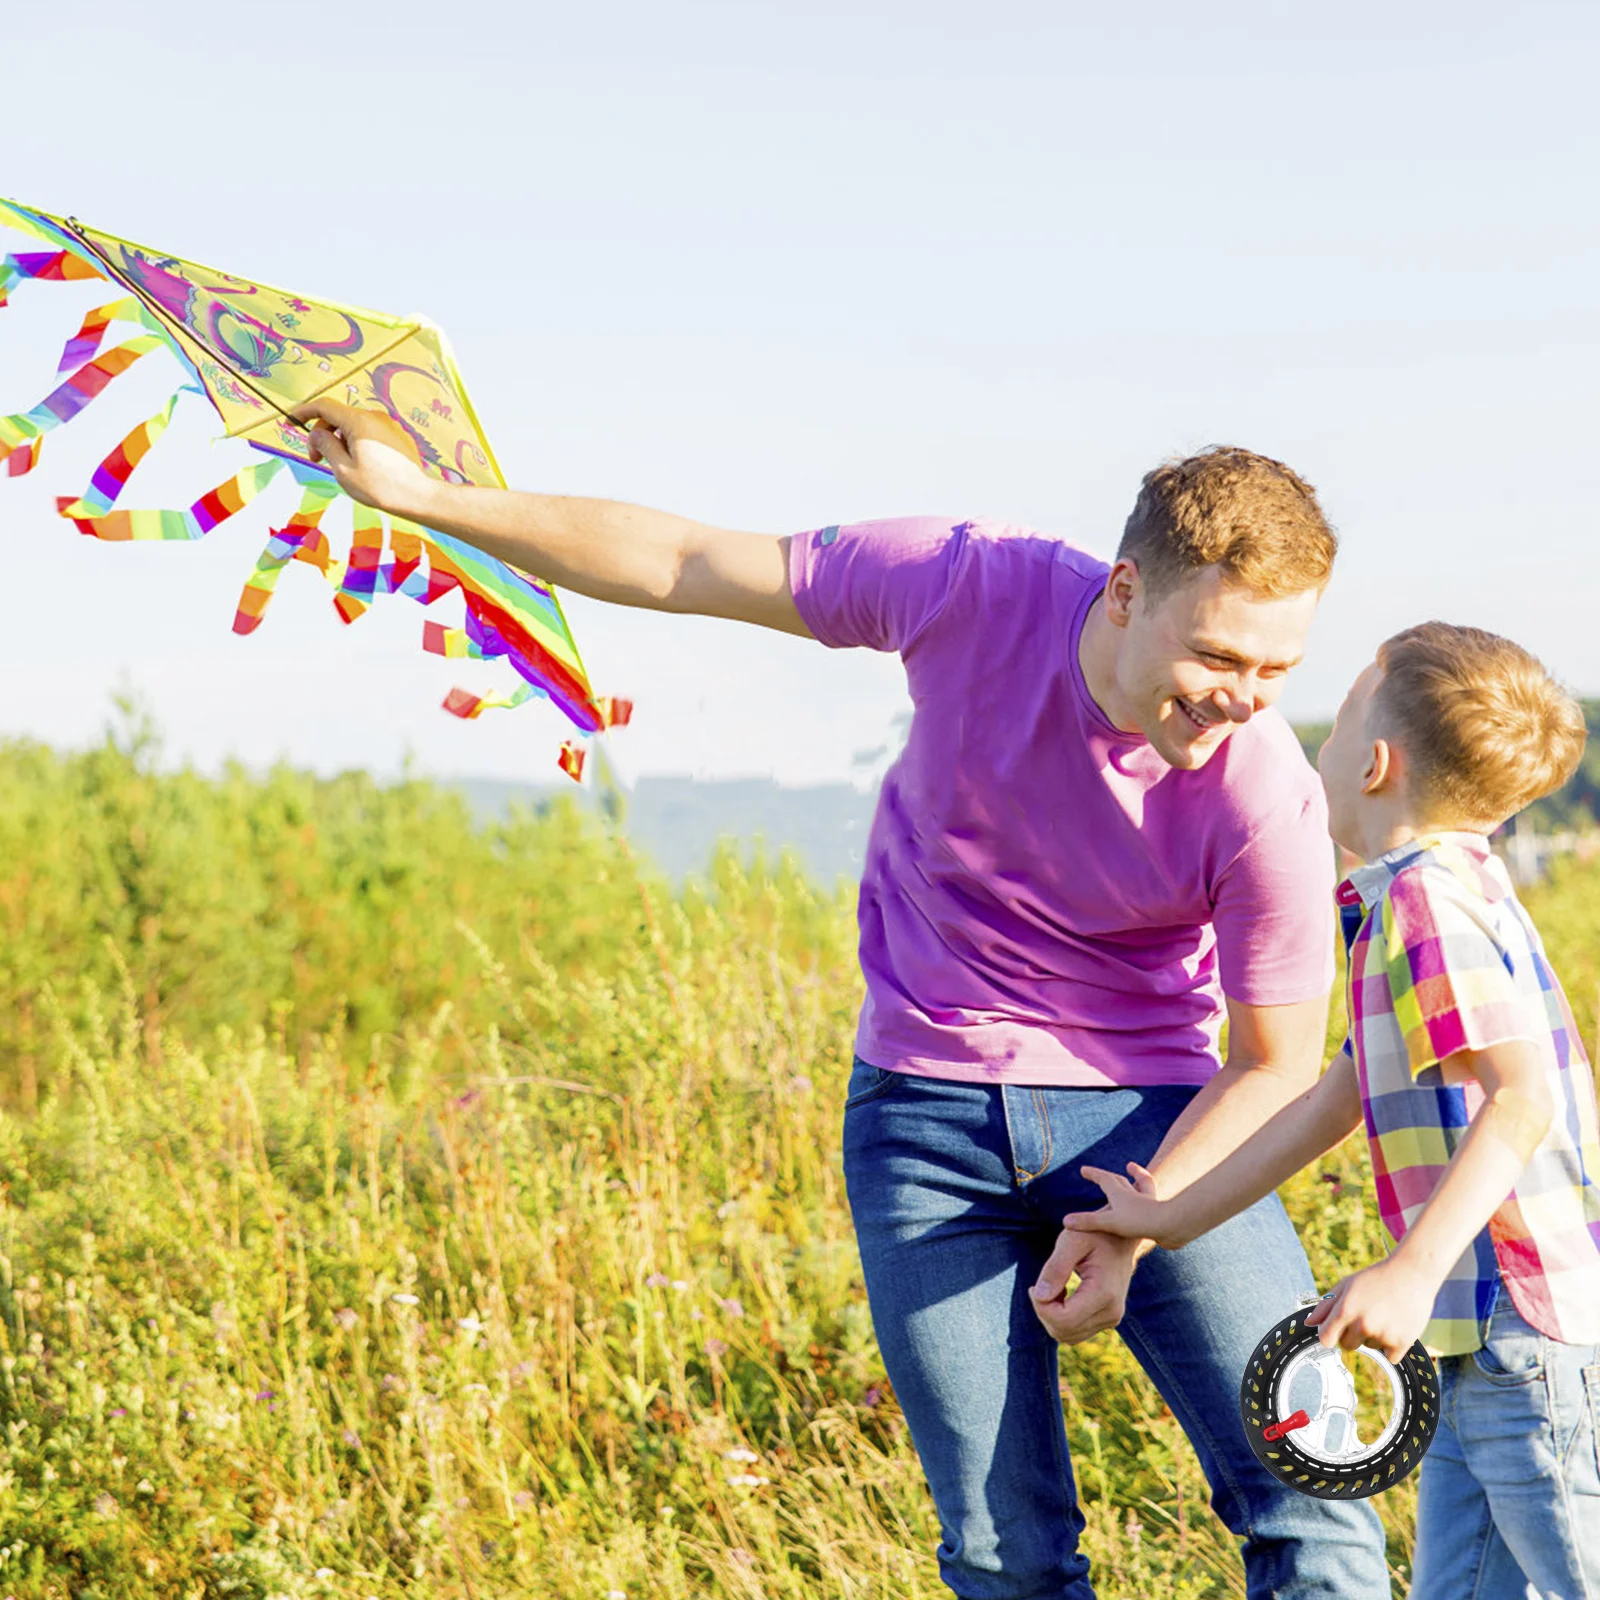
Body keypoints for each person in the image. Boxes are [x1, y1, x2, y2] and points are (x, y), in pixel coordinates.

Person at [294, 399, 1389, 1599]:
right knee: (999, 1552)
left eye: (1278, 668)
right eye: (1220, 658)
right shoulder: (966, 583)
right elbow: (685, 560)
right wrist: (426, 501)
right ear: (1124, 592)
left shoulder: (1265, 794)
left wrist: (1144, 1214)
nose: (1245, 696)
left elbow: (1276, 1060)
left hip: (1162, 1122)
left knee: (1307, 1489)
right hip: (926, 1124)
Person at [1064, 622, 1600, 1599]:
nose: (1314, 723)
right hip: (1472, 1339)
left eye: (1345, 707)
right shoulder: (1419, 894)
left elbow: (1517, 1099)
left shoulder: (1426, 897)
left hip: (1520, 1334)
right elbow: (1334, 1098)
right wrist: (1166, 1218)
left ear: (1376, 765)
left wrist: (1405, 1271)